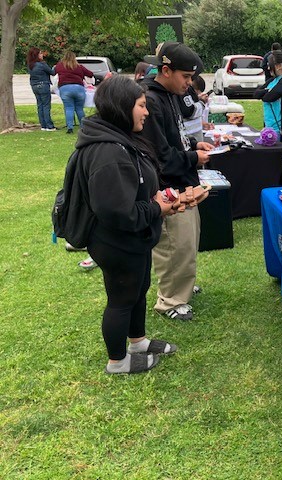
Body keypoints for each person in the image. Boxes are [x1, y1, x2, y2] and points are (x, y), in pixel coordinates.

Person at [76, 76, 183, 374]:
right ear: (122, 107)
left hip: (134, 237)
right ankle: (118, 361)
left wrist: (158, 197)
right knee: (122, 299)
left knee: (138, 289)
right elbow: (115, 211)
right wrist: (156, 207)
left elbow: (132, 187)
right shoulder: (108, 152)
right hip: (116, 240)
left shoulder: (121, 138)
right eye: (141, 105)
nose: (146, 112)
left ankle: (137, 342)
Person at [140, 42, 214, 321]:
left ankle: (182, 286)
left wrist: (195, 144)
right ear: (166, 70)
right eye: (185, 77)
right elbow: (159, 155)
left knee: (188, 239)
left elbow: (176, 136)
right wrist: (193, 158)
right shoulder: (151, 99)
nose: (189, 83)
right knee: (173, 243)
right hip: (166, 185)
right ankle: (170, 300)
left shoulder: (169, 94)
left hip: (183, 179)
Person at [254, 49, 282, 138]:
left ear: (279, 66)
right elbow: (256, 94)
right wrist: (267, 91)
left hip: (280, 129)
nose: (268, 68)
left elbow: (269, 97)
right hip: (269, 126)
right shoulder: (272, 80)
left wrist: (266, 92)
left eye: (270, 65)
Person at [55, 50, 94, 134]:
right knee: (79, 109)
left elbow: (53, 72)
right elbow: (90, 74)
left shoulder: (60, 66)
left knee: (69, 108)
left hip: (65, 88)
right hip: (78, 88)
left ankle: (70, 128)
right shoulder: (79, 66)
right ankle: (83, 127)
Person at [27, 47, 56, 131]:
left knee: (40, 105)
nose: (42, 55)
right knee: (46, 105)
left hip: (34, 85)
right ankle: (49, 125)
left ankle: (43, 125)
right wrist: (54, 68)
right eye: (40, 53)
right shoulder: (42, 64)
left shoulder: (30, 65)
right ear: (37, 55)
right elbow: (52, 72)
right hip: (43, 85)